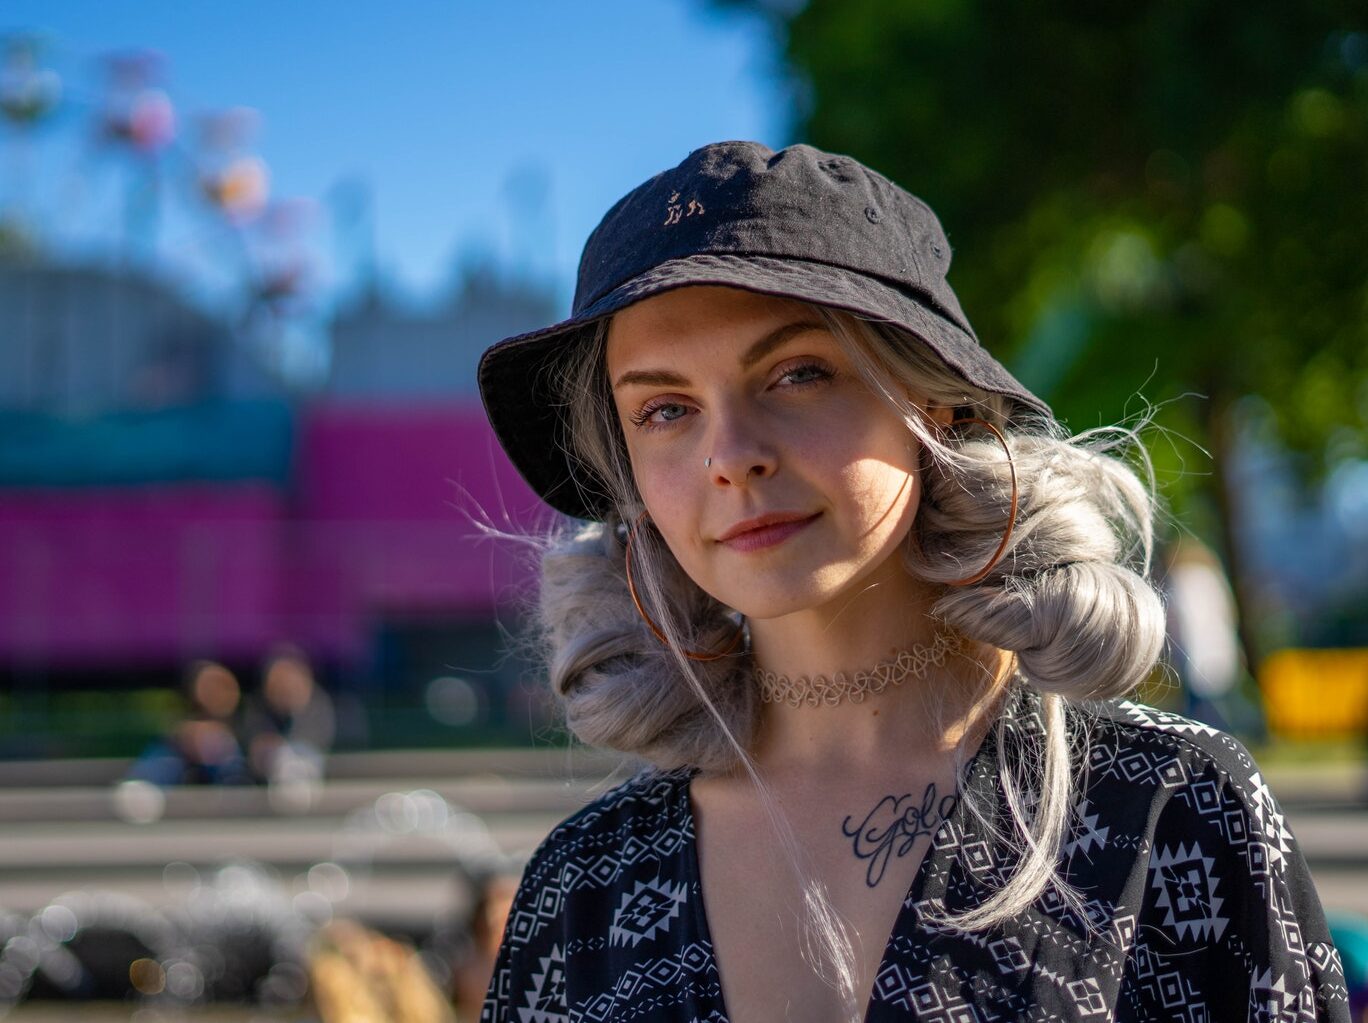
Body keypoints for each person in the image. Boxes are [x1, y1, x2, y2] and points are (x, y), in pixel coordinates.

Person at [473, 142, 1349, 1022]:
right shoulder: (577, 895)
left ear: (940, 403)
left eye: (797, 373)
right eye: (665, 409)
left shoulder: (1174, 814)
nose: (732, 456)